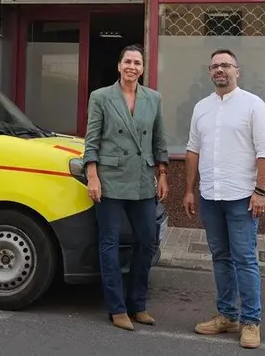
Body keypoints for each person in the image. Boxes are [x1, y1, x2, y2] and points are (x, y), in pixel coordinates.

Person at [182, 49, 265, 349]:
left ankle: (251, 322)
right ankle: (226, 316)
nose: (220, 70)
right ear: (209, 73)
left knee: (245, 259)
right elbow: (193, 150)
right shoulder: (201, 108)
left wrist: (261, 191)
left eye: (225, 65)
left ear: (238, 70)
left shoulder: (253, 106)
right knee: (220, 258)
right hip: (210, 195)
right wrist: (188, 189)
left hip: (242, 197)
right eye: (214, 66)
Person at [83, 44, 169, 331]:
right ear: (119, 66)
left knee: (147, 241)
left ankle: (138, 305)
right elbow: (91, 139)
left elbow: (159, 140)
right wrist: (92, 176)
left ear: (142, 68)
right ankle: (117, 308)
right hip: (109, 178)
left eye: (137, 62)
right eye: (128, 61)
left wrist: (163, 173)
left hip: (143, 179)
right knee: (108, 243)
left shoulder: (153, 99)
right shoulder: (101, 97)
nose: (132, 66)